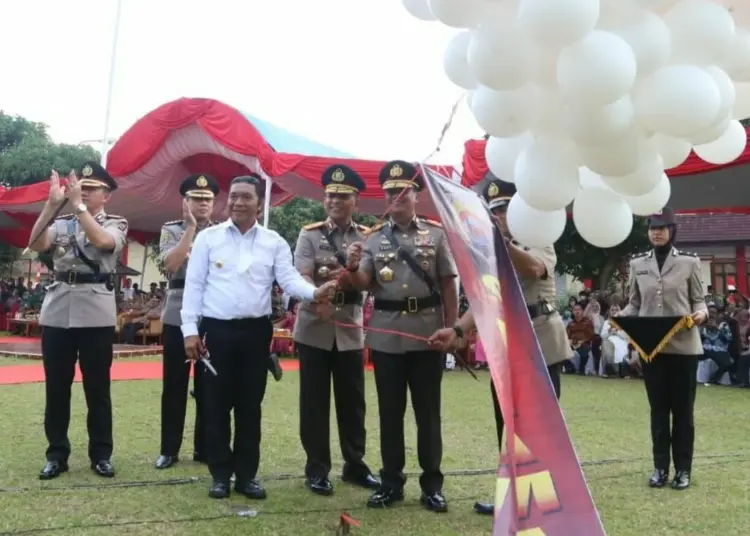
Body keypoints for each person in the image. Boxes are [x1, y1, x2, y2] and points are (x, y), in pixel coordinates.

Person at [181, 174, 338, 499]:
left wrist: (315, 293)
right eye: (234, 196)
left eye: (246, 197)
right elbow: (193, 286)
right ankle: (220, 475)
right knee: (216, 407)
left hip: (255, 334)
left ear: (258, 202)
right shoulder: (208, 239)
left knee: (250, 407)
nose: (238, 202)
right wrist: (189, 331)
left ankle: (247, 476)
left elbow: (289, 280)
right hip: (216, 332)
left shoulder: (273, 242)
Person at [427, 177, 571, 515]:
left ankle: (543, 501)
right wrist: (457, 331)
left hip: (540, 341)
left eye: (505, 209)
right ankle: (512, 494)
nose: (500, 216)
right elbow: (483, 298)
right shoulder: (488, 248)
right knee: (506, 423)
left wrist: (500, 243)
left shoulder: (538, 237)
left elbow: (535, 269)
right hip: (505, 342)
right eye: (495, 211)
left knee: (540, 424)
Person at [344, 160, 458, 512]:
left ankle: (432, 485)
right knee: (390, 414)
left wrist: (452, 328)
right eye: (390, 192)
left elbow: (448, 284)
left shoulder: (435, 234)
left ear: (415, 195)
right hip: (387, 334)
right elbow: (364, 283)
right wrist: (351, 265)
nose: (396, 197)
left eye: (402, 191)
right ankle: (391, 482)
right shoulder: (373, 238)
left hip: (428, 333)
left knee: (428, 414)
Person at [26, 162, 128, 480]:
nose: (83, 191)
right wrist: (51, 205)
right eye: (80, 186)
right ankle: (57, 454)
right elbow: (38, 243)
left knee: (97, 389)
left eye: (91, 188)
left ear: (106, 196)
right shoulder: (64, 222)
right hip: (58, 310)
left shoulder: (116, 222)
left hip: (95, 311)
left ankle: (101, 454)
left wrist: (79, 207)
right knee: (57, 388)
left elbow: (103, 243)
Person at [292, 164, 379, 496]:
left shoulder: (367, 236)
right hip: (314, 324)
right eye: (330, 195)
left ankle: (355, 466)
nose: (334, 200)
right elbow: (301, 274)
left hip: (349, 327)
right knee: (313, 403)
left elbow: (367, 282)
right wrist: (317, 295)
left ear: (355, 199)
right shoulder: (309, 234)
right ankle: (317, 469)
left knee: (353, 403)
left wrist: (355, 267)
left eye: (342, 196)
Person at [620, 206, 707, 490]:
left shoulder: (690, 263)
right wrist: (623, 314)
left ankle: (683, 470)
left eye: (662, 227)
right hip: (651, 349)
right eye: (652, 228)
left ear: (672, 231)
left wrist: (701, 315)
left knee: (683, 412)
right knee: (658, 411)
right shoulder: (637, 264)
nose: (656, 233)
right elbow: (635, 303)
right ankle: (660, 468)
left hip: (683, 347)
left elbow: (699, 301)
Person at [154, 174, 219, 470]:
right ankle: (169, 449)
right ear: (186, 202)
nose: (202, 204)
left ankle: (204, 448)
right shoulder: (171, 230)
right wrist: (190, 229)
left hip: (213, 310)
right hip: (178, 311)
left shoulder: (222, 233)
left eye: (207, 199)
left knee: (208, 385)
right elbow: (171, 265)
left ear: (214, 204)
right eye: (196, 199)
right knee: (175, 385)